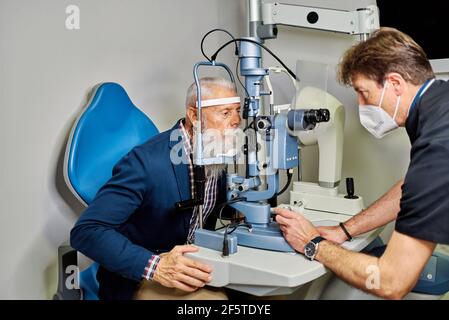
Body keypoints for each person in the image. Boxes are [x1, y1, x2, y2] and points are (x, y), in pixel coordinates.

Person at [274, 27, 449, 299]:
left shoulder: (439, 144)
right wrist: (344, 230)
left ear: (395, 83)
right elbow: (412, 188)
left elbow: (391, 282)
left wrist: (313, 244)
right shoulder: (439, 105)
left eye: (363, 92)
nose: (360, 104)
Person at [70, 77, 241, 300]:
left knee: (269, 295)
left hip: (198, 263)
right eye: (225, 113)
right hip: (142, 276)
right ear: (195, 116)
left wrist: (251, 211)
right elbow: (87, 230)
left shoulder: (213, 151)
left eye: (238, 110)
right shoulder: (146, 163)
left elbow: (202, 209)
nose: (237, 121)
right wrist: (156, 267)